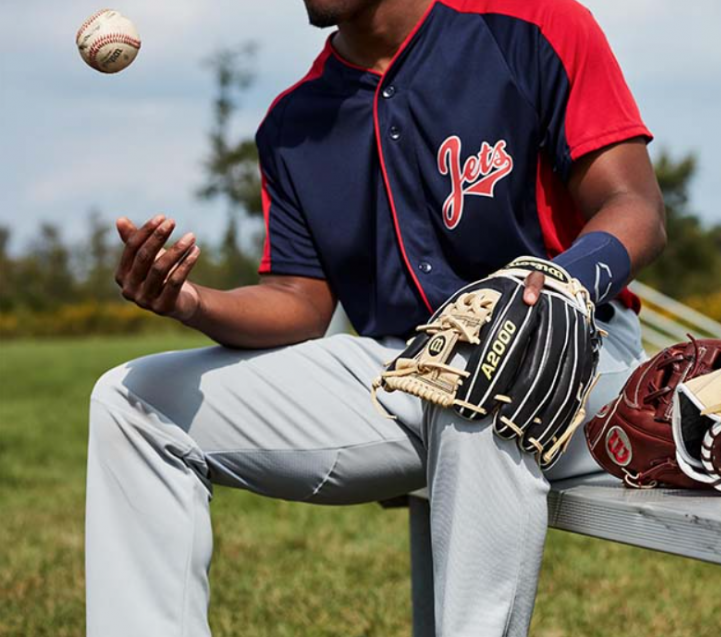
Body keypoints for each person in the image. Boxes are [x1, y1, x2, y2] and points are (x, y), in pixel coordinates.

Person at [85, 0, 666, 634]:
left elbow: (634, 205)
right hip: (400, 370)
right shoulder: (296, 120)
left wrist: (562, 281)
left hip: (572, 354)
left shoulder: (534, 25)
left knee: (476, 363)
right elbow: (299, 303)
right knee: (131, 403)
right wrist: (193, 303)